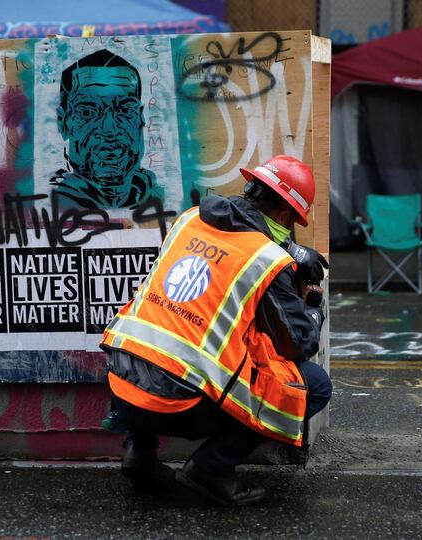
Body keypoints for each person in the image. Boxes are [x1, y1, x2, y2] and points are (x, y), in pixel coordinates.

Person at [100, 155, 332, 506]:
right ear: (285, 218)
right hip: (179, 404)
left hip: (122, 383)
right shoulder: (267, 261)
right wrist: (312, 306)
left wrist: (290, 250)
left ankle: (139, 450)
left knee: (158, 336)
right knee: (314, 384)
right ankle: (211, 468)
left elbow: (232, 239)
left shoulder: (189, 220)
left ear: (250, 188)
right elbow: (299, 343)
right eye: (290, 226)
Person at [50, 49, 161, 209]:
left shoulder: (156, 197)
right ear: (63, 123)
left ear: (140, 117)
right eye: (88, 112)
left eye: (124, 110)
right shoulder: (50, 204)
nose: (110, 130)